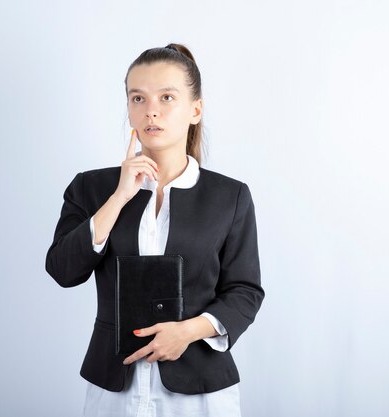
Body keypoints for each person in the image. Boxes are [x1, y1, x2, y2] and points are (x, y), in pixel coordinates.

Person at [45, 43, 265, 417]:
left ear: (195, 109)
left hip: (198, 391)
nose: (151, 110)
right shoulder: (91, 188)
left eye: (167, 97)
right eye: (138, 98)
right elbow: (63, 271)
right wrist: (119, 197)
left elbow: (245, 291)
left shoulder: (230, 197)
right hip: (115, 385)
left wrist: (190, 330)